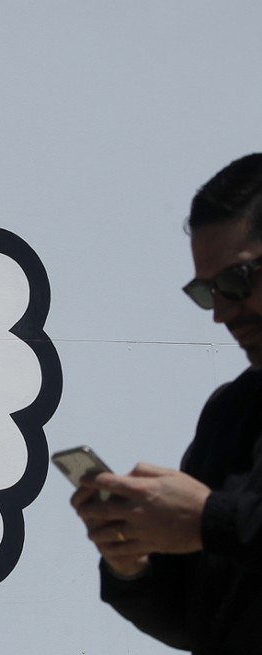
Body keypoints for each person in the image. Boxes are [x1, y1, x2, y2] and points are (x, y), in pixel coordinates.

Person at [72, 153, 262, 654]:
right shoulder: (231, 412)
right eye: (207, 291)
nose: (222, 313)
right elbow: (198, 623)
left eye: (237, 282)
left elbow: (220, 525)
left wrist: (209, 520)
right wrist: (132, 565)